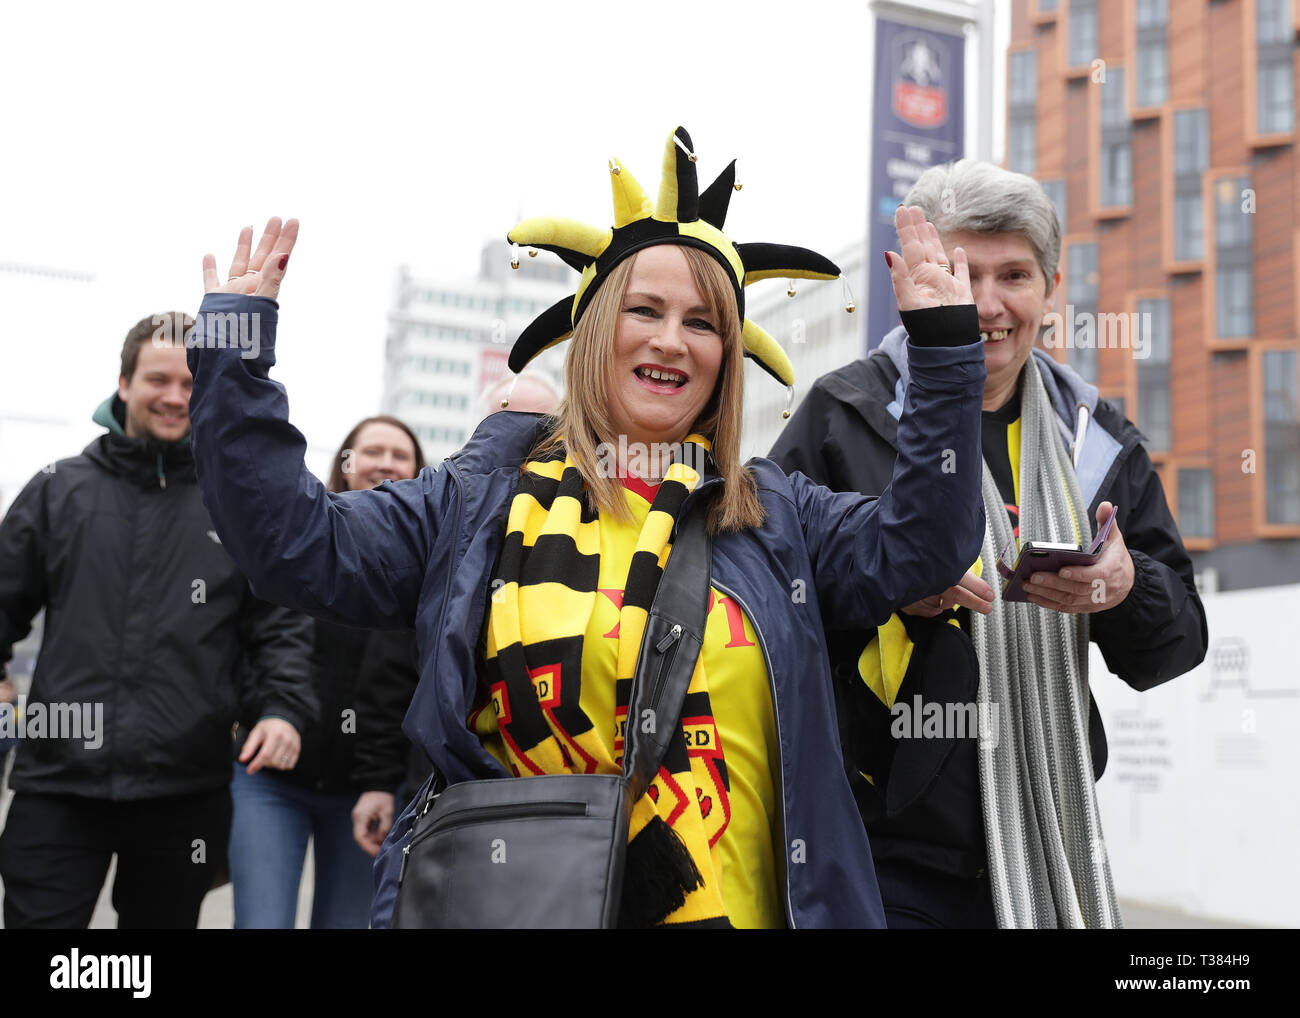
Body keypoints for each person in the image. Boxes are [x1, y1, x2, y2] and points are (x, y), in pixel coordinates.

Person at [186, 127, 988, 928]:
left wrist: (946, 354)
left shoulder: (778, 515)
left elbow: (923, 547)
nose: (671, 339)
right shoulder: (474, 505)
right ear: (599, 330)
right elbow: (294, 545)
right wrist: (233, 356)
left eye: (703, 323)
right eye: (645, 309)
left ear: (727, 355)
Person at [770, 159, 1209, 929]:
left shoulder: (1096, 442)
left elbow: (1177, 644)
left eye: (1015, 275)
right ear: (919, 280)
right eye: (963, 272)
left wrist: (1122, 585)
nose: (987, 304)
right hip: (881, 856)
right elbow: (763, 612)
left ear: (1051, 289)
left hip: (1051, 849)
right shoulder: (845, 415)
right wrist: (891, 585)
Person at [0, 314, 315, 929]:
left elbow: (278, 629)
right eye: (158, 379)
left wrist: (282, 710)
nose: (175, 397)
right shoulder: (57, 491)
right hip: (57, 783)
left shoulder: (239, 504)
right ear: (124, 384)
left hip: (184, 792)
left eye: (191, 383)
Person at [226, 415, 426, 928]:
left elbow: (408, 688)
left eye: (400, 455)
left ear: (420, 471)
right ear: (344, 464)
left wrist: (383, 781)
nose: (385, 462)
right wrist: (272, 710)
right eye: (372, 451)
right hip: (270, 778)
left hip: (370, 790)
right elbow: (267, 641)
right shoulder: (303, 542)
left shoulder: (430, 565)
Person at [350, 383, 561, 859]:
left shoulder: (587, 531)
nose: (525, 441)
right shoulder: (450, 526)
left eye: (543, 427)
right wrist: (380, 783)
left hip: (556, 802)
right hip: (440, 791)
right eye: (509, 424)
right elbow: (392, 680)